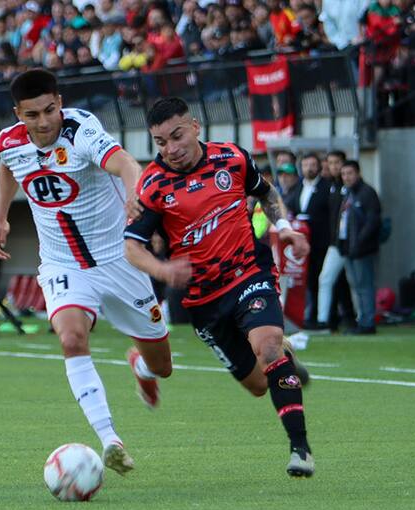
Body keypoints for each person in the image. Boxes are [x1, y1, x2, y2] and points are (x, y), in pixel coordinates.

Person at [0, 69, 173, 476]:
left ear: (60, 101)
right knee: (72, 339)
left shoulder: (81, 130)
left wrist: (134, 199)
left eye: (50, 110)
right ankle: (110, 440)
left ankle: (141, 368)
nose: (44, 122)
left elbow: (126, 163)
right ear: (19, 114)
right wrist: (0, 216)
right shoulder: (9, 141)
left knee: (161, 364)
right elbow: (8, 166)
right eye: (32, 115)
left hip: (118, 262)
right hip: (62, 263)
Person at [124, 97, 316, 477]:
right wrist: (163, 271)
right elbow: (132, 247)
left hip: (248, 273)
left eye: (177, 136)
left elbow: (266, 193)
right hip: (203, 301)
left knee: (268, 346)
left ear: (195, 127)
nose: (171, 149)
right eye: (161, 143)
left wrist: (284, 228)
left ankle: (301, 451)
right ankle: (283, 362)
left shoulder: (232, 158)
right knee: (260, 384)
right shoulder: (152, 185)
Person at [285, 153, 331, 328]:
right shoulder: (297, 187)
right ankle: (308, 316)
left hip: (321, 241)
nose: (309, 168)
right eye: (306, 165)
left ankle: (325, 317)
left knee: (321, 279)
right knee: (307, 280)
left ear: (319, 167)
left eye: (312, 165)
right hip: (301, 242)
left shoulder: (327, 187)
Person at [336, 160, 381, 334]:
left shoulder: (367, 193)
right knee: (356, 286)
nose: (346, 177)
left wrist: (360, 243)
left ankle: (368, 322)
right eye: (344, 174)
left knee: (365, 285)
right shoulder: (347, 193)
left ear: (358, 174)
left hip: (362, 249)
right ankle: (362, 320)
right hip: (348, 248)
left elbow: (372, 222)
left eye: (350, 173)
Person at [317, 150, 356, 332]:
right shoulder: (330, 186)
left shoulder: (349, 188)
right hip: (335, 243)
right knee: (328, 279)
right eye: (330, 163)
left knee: (353, 282)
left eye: (337, 163)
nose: (334, 167)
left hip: (348, 243)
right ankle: (325, 319)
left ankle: (356, 318)